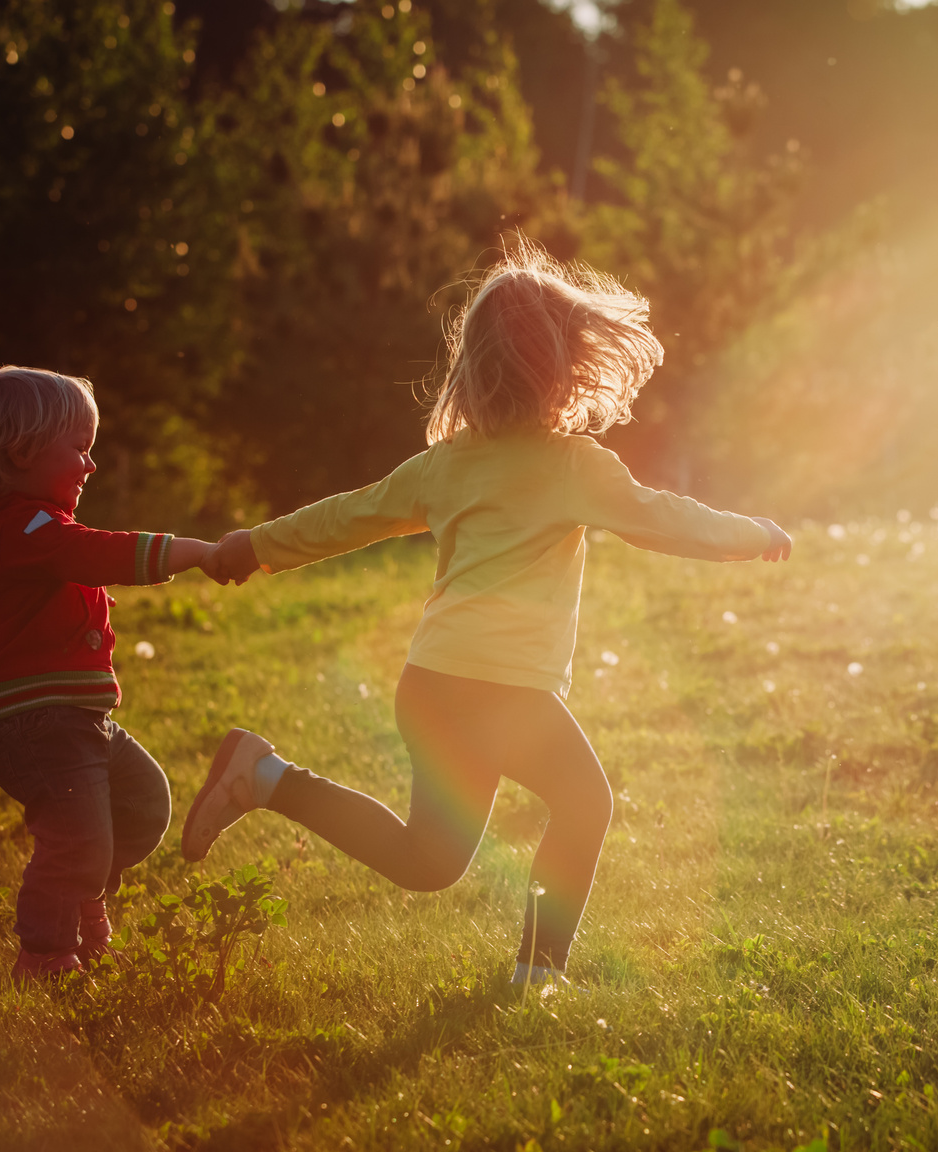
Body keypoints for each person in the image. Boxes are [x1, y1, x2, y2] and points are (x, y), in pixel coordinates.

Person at [186, 241, 792, 987]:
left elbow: (348, 516)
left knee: (427, 862)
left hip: (434, 686)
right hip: (499, 691)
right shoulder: (572, 466)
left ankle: (266, 777)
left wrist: (253, 546)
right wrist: (756, 534)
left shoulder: (447, 467)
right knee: (585, 804)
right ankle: (537, 974)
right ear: (567, 366)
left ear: (472, 364)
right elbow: (663, 520)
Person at [0, 367, 222, 980]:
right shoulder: (23, 526)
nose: (90, 466)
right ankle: (45, 955)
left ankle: (83, 892)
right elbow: (96, 551)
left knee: (144, 802)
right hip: (40, 724)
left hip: (72, 720)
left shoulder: (27, 528)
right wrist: (196, 552)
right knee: (77, 839)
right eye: (81, 449)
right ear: (21, 452)